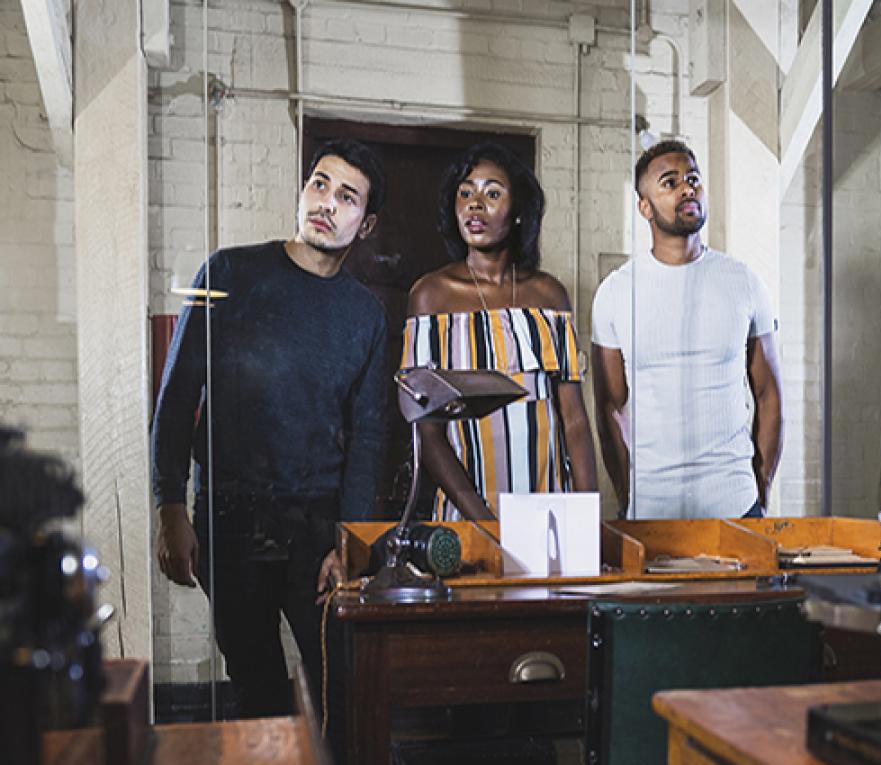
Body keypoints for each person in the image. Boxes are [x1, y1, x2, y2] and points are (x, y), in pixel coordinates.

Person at [152, 138, 390, 719]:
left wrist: (350, 541)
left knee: (336, 681)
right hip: (230, 516)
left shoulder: (365, 315)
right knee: (254, 684)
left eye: (347, 196)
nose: (326, 203)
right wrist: (171, 509)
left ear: (366, 225)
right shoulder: (229, 271)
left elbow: (369, 437)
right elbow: (178, 396)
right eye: (319, 184)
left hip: (317, 524)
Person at [590, 139, 783, 519]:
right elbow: (609, 409)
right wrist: (628, 497)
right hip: (652, 508)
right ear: (645, 207)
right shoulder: (615, 292)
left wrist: (759, 491)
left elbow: (769, 394)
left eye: (693, 179)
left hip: (735, 502)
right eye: (670, 182)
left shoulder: (744, 282)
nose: (687, 188)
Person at [405, 142, 596, 520]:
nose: (475, 205)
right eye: (465, 194)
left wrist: (587, 517)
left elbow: (574, 419)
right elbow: (428, 434)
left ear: (519, 209)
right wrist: (486, 525)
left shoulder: (549, 295)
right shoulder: (430, 296)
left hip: (550, 514)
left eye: (492, 193)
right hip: (468, 518)